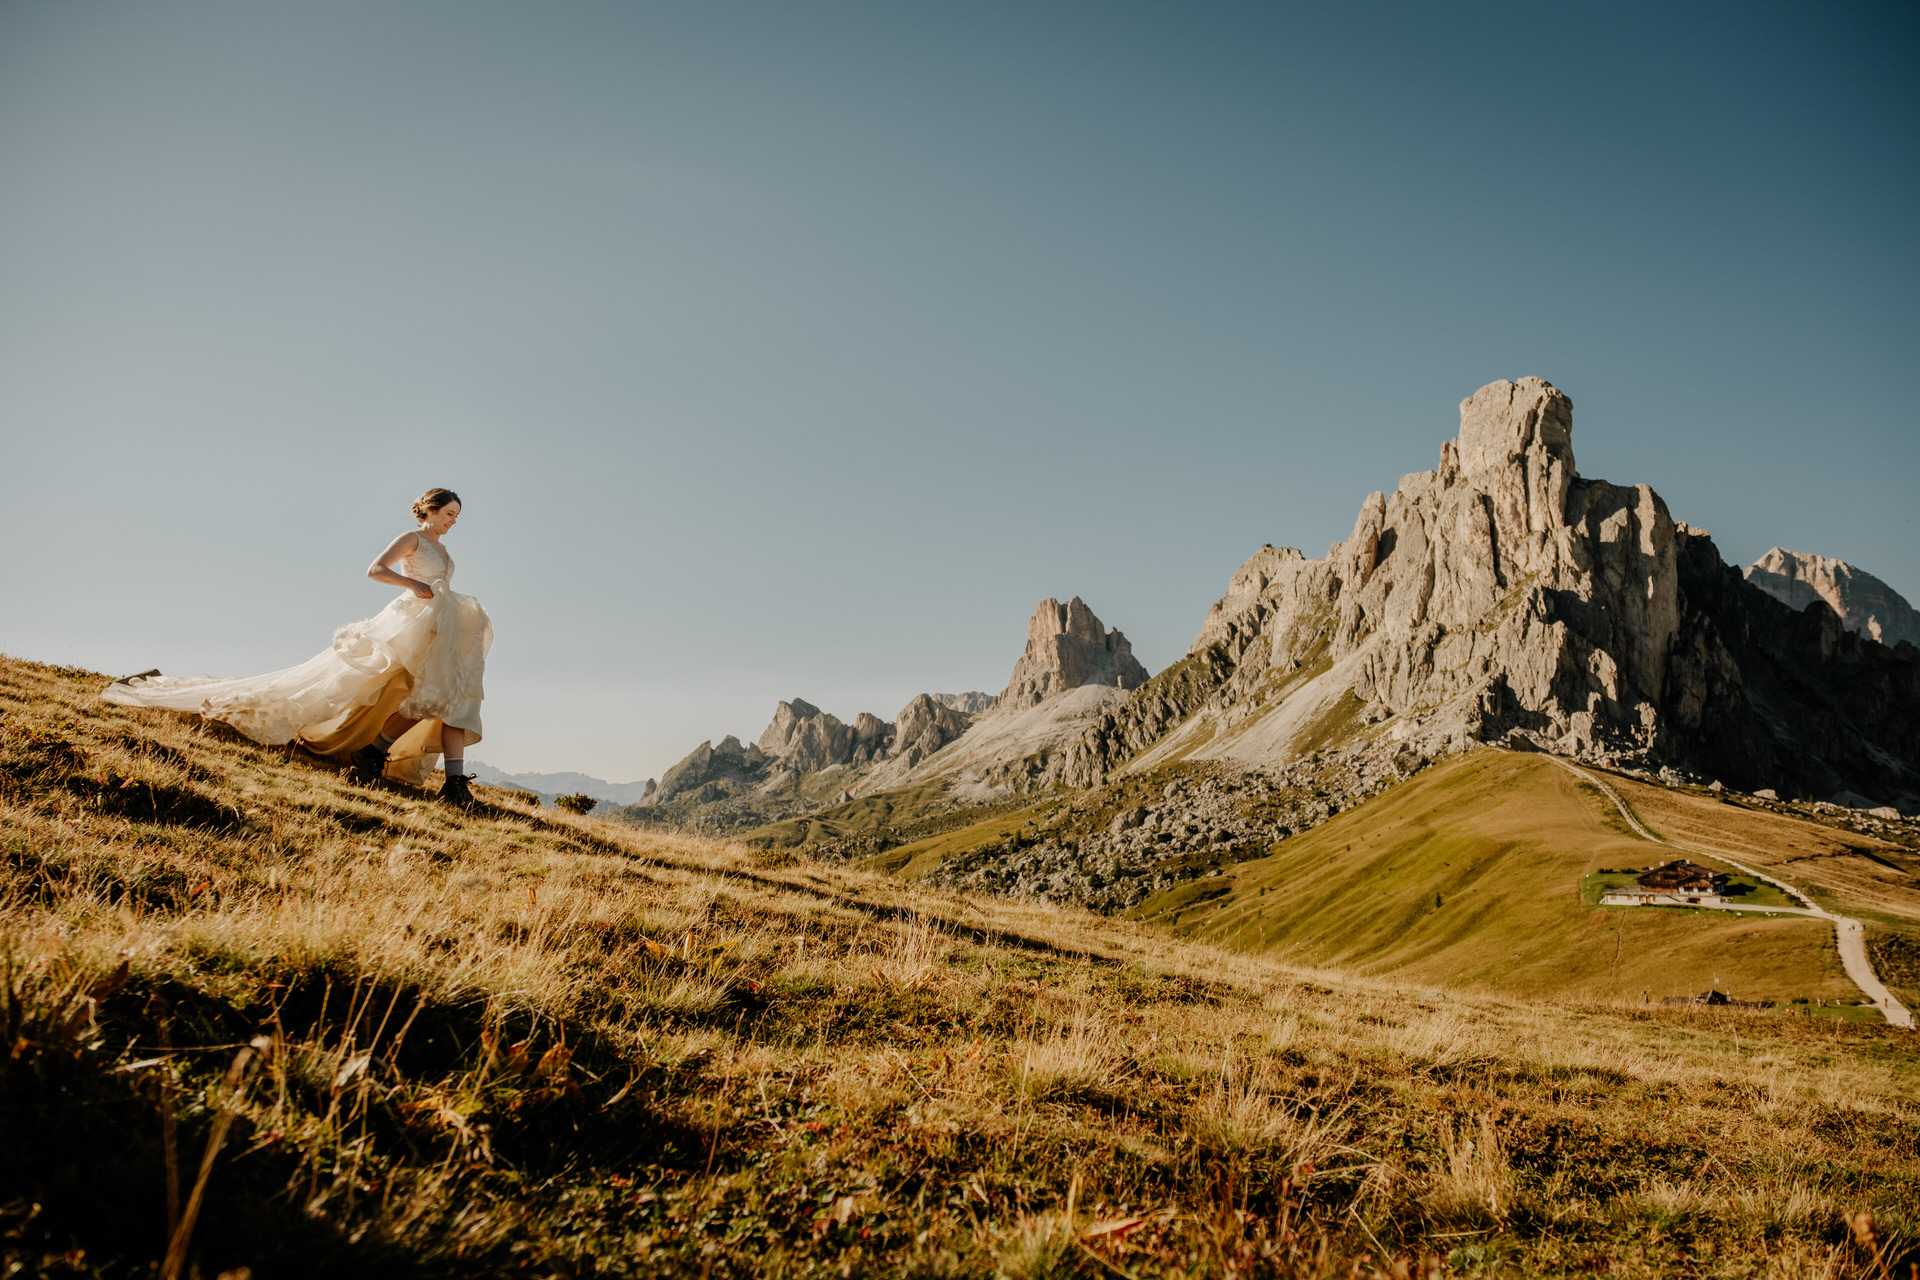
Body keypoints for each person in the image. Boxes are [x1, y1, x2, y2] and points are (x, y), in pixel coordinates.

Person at [102, 488, 494, 807]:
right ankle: (384, 755)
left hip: (437, 629)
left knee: (440, 697)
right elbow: (375, 570)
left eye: (457, 516)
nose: (453, 521)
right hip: (409, 621)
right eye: (449, 513)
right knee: (363, 683)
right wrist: (413, 585)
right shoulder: (413, 539)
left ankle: (414, 767)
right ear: (428, 510)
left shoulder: (445, 552)